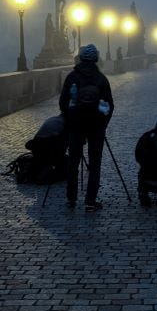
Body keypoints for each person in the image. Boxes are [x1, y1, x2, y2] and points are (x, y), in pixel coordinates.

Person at [59, 44, 113, 210]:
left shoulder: (71, 78)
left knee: (73, 162)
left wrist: (70, 120)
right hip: (96, 127)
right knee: (95, 163)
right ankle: (90, 201)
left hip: (76, 126)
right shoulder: (101, 79)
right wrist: (102, 125)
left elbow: (63, 103)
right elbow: (108, 106)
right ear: (96, 59)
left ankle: (71, 198)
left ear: (80, 58)